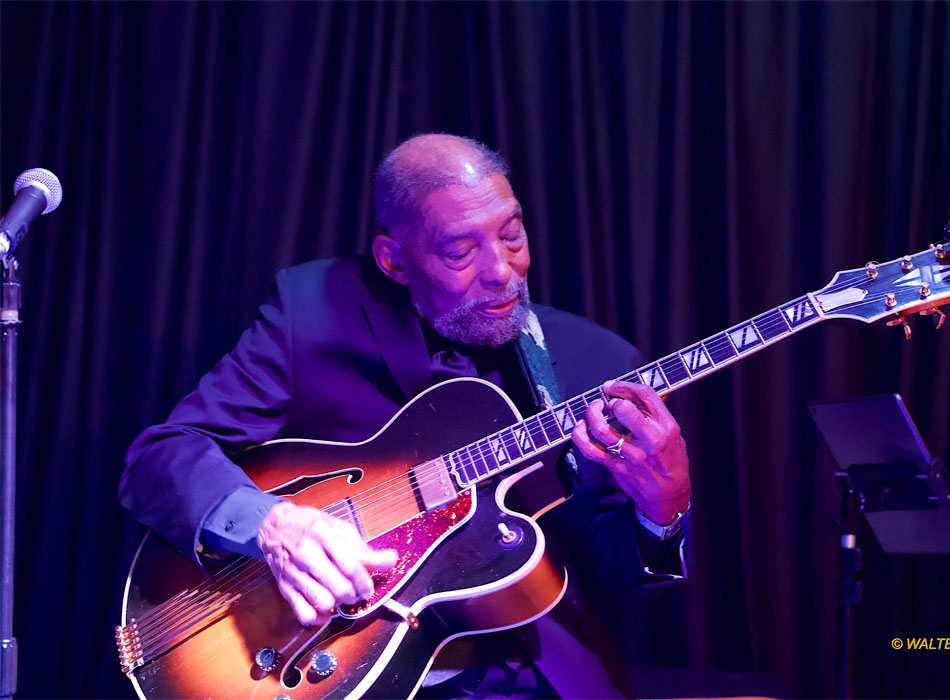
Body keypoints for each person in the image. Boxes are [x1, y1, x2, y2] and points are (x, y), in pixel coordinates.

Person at [120, 133, 692, 698]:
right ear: (394, 260)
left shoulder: (604, 364)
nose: (500, 270)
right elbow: (160, 457)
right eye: (460, 251)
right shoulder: (313, 310)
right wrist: (273, 526)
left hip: (532, 677)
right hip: (335, 663)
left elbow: (617, 585)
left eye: (512, 234)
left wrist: (662, 512)